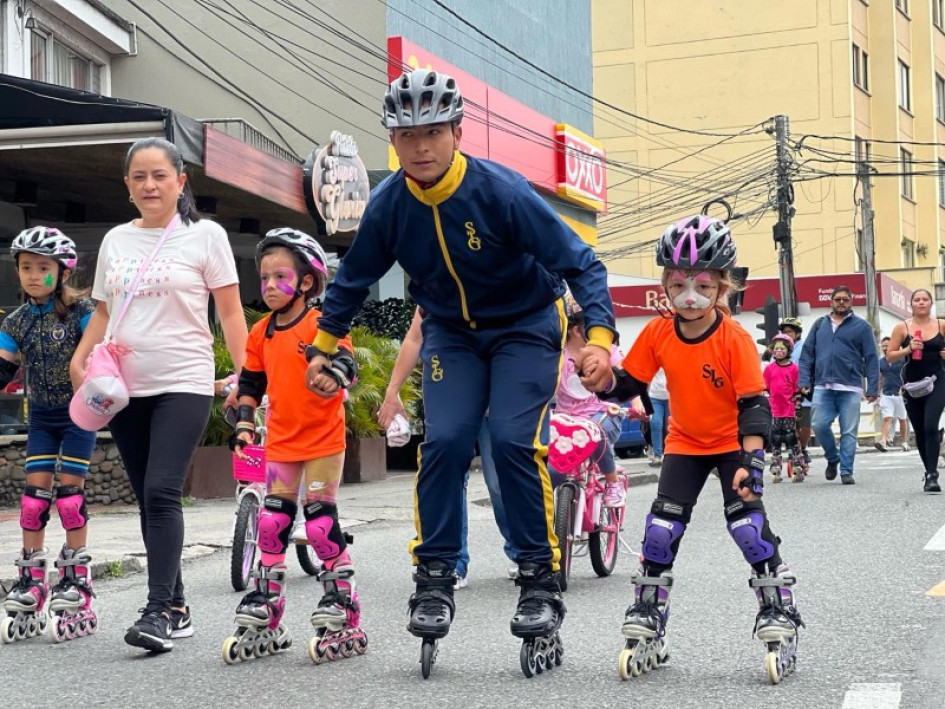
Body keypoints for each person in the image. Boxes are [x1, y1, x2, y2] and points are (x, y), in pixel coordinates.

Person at [304, 68, 616, 670]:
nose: (421, 147)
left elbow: (583, 263)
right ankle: (436, 575)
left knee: (509, 442)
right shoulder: (391, 203)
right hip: (451, 333)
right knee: (444, 442)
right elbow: (352, 279)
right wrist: (323, 346)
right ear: (392, 141)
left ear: (456, 130)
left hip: (527, 324)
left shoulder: (502, 191)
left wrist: (597, 339)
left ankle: (537, 578)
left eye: (433, 132)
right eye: (407, 134)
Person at [583, 214, 803, 681]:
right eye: (678, 283)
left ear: (722, 288)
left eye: (702, 285)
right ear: (664, 284)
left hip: (732, 444)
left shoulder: (734, 338)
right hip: (684, 441)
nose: (688, 295)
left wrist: (753, 460)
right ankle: (649, 613)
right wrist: (605, 381)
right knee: (661, 528)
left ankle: (778, 607)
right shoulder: (660, 331)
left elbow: (753, 405)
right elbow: (630, 383)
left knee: (747, 524)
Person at [70, 137, 247, 653]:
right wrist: (81, 358)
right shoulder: (116, 241)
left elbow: (231, 312)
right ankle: (178, 603)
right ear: (127, 187)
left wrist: (248, 379)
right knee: (147, 495)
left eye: (160, 176)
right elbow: (104, 311)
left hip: (184, 380)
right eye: (139, 177)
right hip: (124, 386)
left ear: (180, 181)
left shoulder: (205, 236)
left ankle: (157, 612)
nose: (150, 185)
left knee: (161, 490)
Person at [223, 228, 366, 663]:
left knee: (320, 522)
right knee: (271, 522)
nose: (268, 286)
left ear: (306, 282)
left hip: (323, 440)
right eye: (264, 278)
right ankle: (268, 602)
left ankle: (343, 602)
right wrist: (245, 424)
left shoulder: (320, 324)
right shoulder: (261, 331)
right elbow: (250, 382)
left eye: (279, 277)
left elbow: (347, 361)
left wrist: (335, 375)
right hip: (282, 442)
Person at [0, 227, 98, 643]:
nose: (33, 275)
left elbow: (103, 350)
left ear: (62, 271)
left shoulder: (82, 312)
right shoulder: (16, 321)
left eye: (43, 268)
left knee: (70, 498)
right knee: (32, 498)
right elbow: (3, 367)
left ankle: (77, 578)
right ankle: (32, 576)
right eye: (26, 267)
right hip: (40, 417)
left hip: (78, 414)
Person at [379, 308, 520, 589]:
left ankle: (522, 551)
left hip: (499, 400)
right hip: (452, 399)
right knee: (448, 477)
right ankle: (451, 562)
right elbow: (414, 339)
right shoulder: (438, 286)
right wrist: (392, 391)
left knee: (500, 481)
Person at [798, 286, 879, 486]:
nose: (841, 302)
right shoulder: (819, 325)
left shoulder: (862, 327)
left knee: (849, 431)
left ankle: (846, 471)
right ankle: (833, 458)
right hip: (822, 386)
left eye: (845, 299)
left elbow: (871, 358)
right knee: (819, 425)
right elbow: (807, 354)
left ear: (851, 302)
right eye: (838, 299)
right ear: (831, 302)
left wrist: (873, 387)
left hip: (850, 386)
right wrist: (804, 381)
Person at [552, 303, 626, 507]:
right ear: (576, 330)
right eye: (591, 327)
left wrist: (639, 405)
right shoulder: (558, 354)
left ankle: (613, 483)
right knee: (552, 469)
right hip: (566, 420)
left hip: (602, 414)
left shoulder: (606, 351)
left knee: (595, 431)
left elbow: (627, 379)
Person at [885, 289, 944, 493]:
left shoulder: (941, 325)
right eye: (917, 300)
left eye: (925, 299)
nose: (921, 303)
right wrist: (908, 349)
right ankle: (928, 470)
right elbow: (890, 357)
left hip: (938, 380)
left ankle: (932, 474)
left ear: (930, 303)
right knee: (919, 429)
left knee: (930, 426)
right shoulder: (902, 327)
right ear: (911, 304)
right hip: (912, 384)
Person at [762, 334, 807, 483]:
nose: (779, 351)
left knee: (790, 438)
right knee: (775, 440)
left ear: (788, 350)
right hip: (774, 411)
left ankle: (797, 467)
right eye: (776, 348)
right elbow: (765, 389)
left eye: (782, 348)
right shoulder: (769, 369)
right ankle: (776, 468)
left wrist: (798, 406)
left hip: (789, 409)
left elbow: (797, 390)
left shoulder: (794, 369)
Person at [778, 318, 813, 464]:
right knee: (792, 425)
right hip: (785, 394)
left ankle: (803, 448)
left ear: (797, 333)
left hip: (803, 391)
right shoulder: (779, 348)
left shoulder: (805, 347)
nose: (787, 334)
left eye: (790, 331)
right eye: (784, 332)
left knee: (805, 424)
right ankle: (796, 449)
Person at [875, 336, 910, 452]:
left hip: (901, 393)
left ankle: (904, 442)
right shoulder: (881, 362)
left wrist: (905, 387)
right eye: (883, 346)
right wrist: (878, 395)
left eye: (887, 345)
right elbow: (880, 378)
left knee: (902, 419)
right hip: (886, 393)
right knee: (887, 418)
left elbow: (909, 374)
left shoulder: (903, 359)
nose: (885, 348)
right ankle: (883, 441)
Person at [647, 368, 669, 467]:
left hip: (672, 396)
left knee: (670, 427)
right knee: (656, 423)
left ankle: (670, 454)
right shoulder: (654, 356)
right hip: (655, 397)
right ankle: (657, 455)